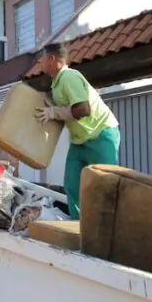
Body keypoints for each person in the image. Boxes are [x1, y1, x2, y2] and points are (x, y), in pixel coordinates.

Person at [34, 43, 120, 220]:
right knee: (72, 186)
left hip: (100, 134)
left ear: (51, 59)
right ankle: (79, 229)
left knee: (106, 186)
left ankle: (111, 231)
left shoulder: (69, 77)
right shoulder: (56, 84)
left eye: (41, 59)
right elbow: (65, 109)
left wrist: (54, 112)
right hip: (79, 141)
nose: (39, 62)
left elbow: (83, 110)